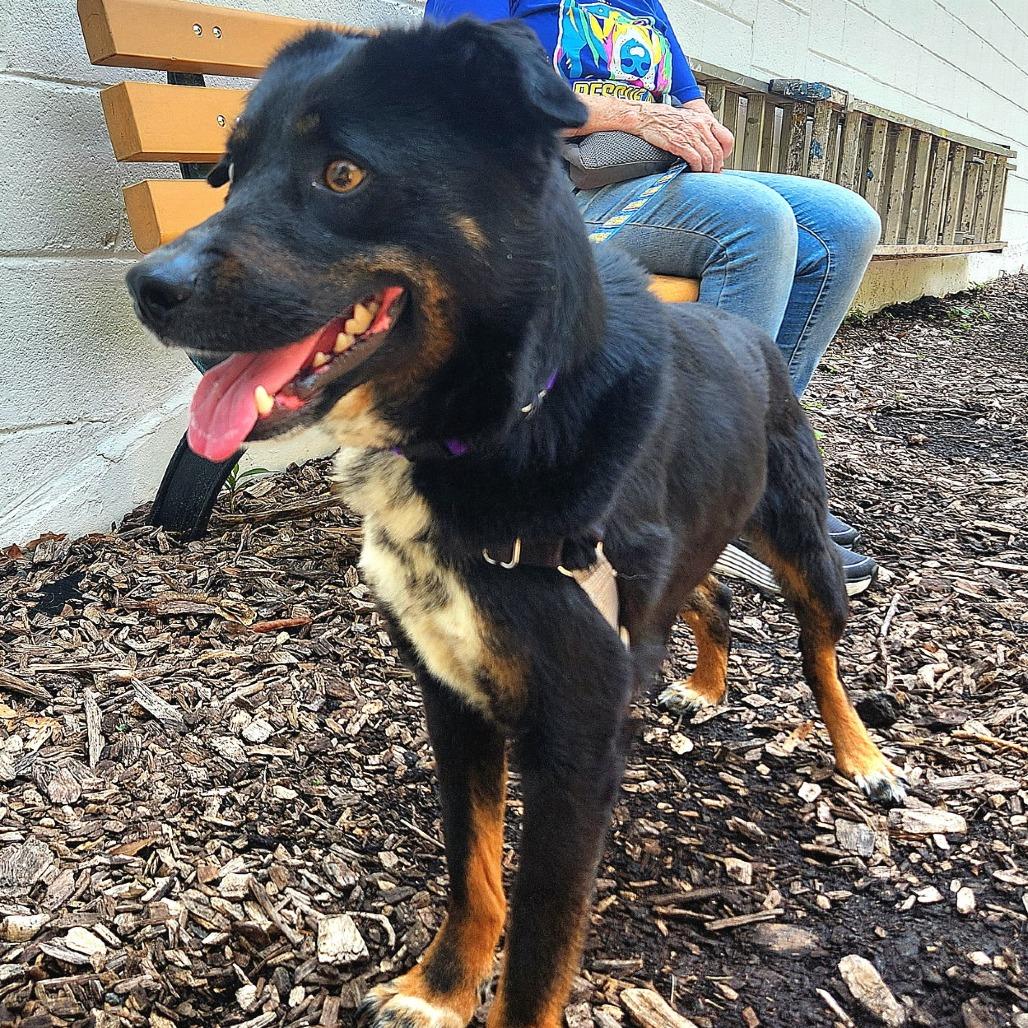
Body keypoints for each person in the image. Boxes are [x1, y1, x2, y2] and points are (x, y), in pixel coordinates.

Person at [426, 0, 882, 596]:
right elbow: (461, 88)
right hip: (532, 193)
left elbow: (689, 103)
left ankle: (755, 469)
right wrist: (627, 116)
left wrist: (697, 131)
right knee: (754, 224)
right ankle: (696, 494)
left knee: (845, 223)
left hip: (640, 180)